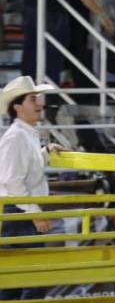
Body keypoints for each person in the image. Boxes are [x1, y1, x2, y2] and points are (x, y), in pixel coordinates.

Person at [0, 76, 57, 259]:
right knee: (25, 275)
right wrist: (35, 213)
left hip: (20, 210)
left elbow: (22, 169)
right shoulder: (17, 137)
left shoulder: (24, 134)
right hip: (19, 212)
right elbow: (11, 180)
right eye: (33, 99)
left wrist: (45, 152)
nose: (39, 104)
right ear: (18, 108)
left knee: (21, 276)